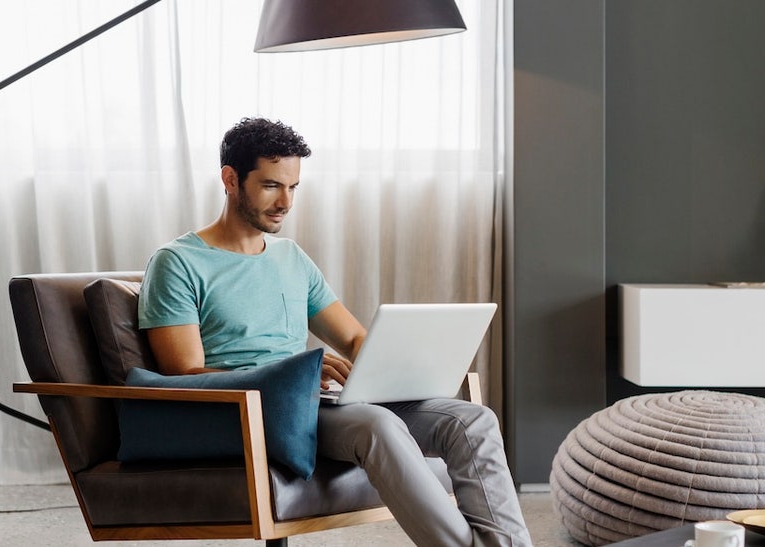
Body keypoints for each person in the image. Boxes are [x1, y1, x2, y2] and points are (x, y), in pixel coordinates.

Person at [138, 117, 533, 547]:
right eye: (271, 185)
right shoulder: (178, 263)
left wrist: (404, 364)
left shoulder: (290, 257)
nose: (285, 202)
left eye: (293, 188)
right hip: (256, 414)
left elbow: (354, 340)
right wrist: (295, 370)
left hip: (314, 401)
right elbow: (182, 375)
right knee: (377, 426)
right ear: (230, 180)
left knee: (470, 419)